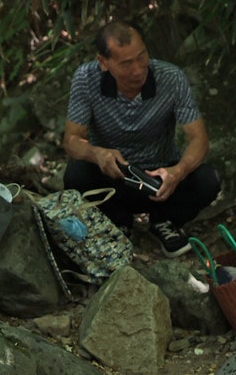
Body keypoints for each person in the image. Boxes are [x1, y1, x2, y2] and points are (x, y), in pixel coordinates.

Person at [62, 20, 221, 259]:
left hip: (160, 179)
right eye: (126, 63)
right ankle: (118, 223)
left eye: (141, 57)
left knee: (208, 180)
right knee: (76, 175)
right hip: (115, 177)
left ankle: (165, 221)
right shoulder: (86, 79)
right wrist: (98, 154)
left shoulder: (170, 78)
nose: (137, 70)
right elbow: (72, 140)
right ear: (103, 63)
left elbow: (199, 139)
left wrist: (177, 172)